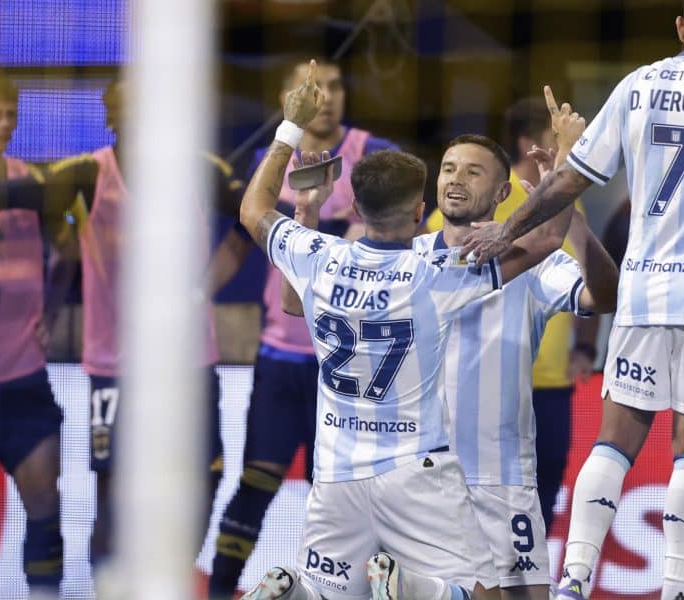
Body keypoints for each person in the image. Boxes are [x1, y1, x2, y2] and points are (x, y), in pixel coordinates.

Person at [461, 2, 684, 598]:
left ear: (680, 26)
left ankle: (572, 577)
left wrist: (506, 228)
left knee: (615, 438)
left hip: (643, 289)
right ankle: (677, 589)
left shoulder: (638, 84)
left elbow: (571, 178)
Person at [236, 60, 570, 600]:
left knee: (330, 596)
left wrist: (289, 134)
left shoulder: (319, 254)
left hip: (336, 474)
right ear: (419, 212)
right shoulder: (434, 274)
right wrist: (567, 161)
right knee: (483, 593)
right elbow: (550, 238)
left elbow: (254, 213)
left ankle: (292, 592)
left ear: (359, 209)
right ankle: (421, 591)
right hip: (415, 469)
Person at [206, 59, 399, 599]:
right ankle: (220, 591)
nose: (327, 96)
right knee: (256, 482)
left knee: (338, 495)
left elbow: (391, 234)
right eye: (313, 88)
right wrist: (195, 297)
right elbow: (238, 241)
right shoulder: (275, 162)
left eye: (335, 85)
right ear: (289, 98)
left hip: (346, 363)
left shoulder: (371, 153)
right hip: (281, 354)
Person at [74, 78, 241, 570]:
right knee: (111, 488)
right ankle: (110, 587)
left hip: (187, 359)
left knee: (205, 475)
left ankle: (170, 573)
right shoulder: (88, 173)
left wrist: (201, 288)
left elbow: (252, 222)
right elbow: (54, 233)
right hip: (114, 363)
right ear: (112, 116)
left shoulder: (198, 170)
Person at [424, 96, 601, 533]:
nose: (458, 180)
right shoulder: (462, 211)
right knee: (464, 524)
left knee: (539, 508)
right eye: (552, 138)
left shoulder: (566, 209)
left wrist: (585, 345)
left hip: (550, 384)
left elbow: (591, 281)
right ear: (528, 143)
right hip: (475, 393)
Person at [0, 69, 78, 598]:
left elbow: (70, 249)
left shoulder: (33, 186)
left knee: (45, 506)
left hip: (23, 381)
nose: (4, 123)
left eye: (11, 114)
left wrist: (54, 309)